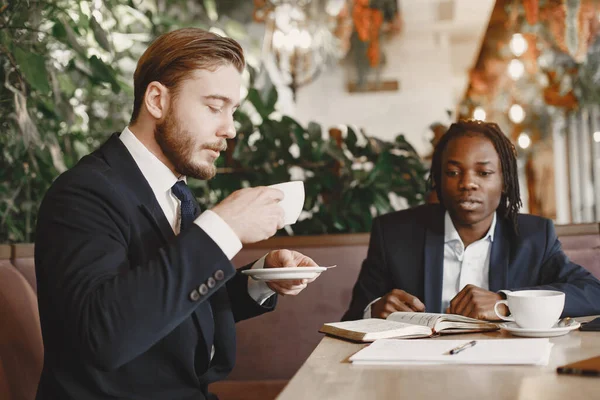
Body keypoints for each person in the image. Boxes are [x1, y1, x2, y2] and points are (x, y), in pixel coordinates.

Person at [35, 28, 320, 400]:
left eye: (232, 111)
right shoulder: (82, 193)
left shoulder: (176, 193)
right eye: (214, 107)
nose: (230, 129)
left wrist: (260, 279)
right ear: (157, 100)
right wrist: (223, 228)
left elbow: (168, 303)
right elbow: (105, 334)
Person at [342, 120, 600, 322]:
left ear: (504, 181)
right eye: (453, 172)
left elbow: (592, 293)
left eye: (484, 172)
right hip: (419, 373)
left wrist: (505, 304)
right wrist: (373, 312)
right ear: (439, 181)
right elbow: (351, 320)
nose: (467, 183)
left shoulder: (534, 237)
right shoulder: (395, 234)